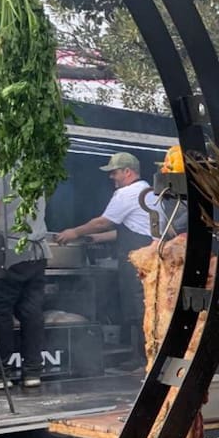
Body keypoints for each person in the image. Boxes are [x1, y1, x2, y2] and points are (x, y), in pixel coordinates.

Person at [56, 152, 160, 368]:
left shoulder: (126, 193)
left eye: (114, 172)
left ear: (127, 172)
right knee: (148, 305)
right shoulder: (149, 192)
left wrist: (74, 233)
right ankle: (146, 356)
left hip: (139, 260)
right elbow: (132, 226)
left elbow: (102, 222)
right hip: (152, 257)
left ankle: (143, 359)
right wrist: (97, 238)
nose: (112, 177)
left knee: (139, 307)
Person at [0, 155, 49, 390]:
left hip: (7, 252)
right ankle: (33, 371)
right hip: (36, 251)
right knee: (31, 311)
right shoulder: (31, 162)